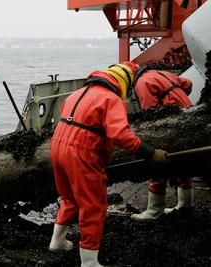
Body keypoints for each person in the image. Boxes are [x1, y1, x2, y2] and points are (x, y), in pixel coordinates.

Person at [48, 62, 168, 267]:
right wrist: (150, 153)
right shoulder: (111, 99)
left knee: (68, 198)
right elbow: (120, 134)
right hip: (81, 153)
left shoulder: (77, 93)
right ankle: (89, 262)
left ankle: (57, 241)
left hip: (57, 147)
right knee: (93, 205)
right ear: (123, 84)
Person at [130, 66, 193, 221]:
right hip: (188, 116)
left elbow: (150, 112)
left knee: (157, 164)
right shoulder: (164, 73)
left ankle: (154, 211)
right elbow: (188, 84)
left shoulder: (142, 83)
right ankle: (185, 205)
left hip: (173, 124)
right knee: (183, 165)